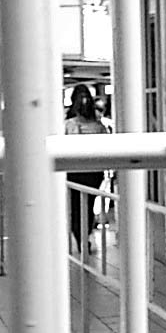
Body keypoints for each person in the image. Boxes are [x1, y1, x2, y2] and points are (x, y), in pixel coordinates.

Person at [64, 83, 111, 250]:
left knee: (76, 206)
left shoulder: (67, 124)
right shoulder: (99, 125)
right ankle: (84, 236)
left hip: (73, 172)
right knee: (89, 203)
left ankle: (80, 237)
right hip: (94, 173)